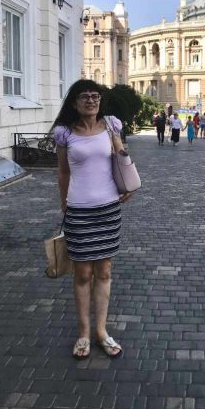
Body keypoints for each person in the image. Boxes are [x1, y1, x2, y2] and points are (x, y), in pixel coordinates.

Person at [51, 79, 126, 360]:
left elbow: (121, 159)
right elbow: (62, 172)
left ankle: (101, 332)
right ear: (73, 102)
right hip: (79, 209)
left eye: (95, 96)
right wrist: (64, 205)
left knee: (104, 271)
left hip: (108, 208)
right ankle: (84, 333)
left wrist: (127, 183)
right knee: (82, 273)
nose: (91, 101)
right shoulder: (64, 133)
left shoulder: (111, 125)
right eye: (84, 96)